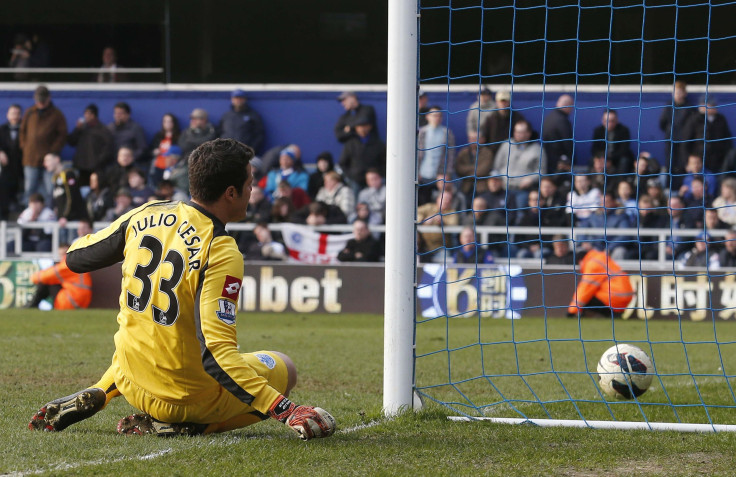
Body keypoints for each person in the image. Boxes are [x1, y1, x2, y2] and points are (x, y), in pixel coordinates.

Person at [28, 138, 336, 440]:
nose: (252, 189)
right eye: (250, 182)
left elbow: (77, 258)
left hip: (131, 380)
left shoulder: (145, 213)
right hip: (183, 397)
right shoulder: (220, 249)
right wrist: (284, 408)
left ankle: (103, 390)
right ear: (231, 192)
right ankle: (194, 426)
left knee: (144, 333)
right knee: (285, 367)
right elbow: (216, 354)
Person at [19, 85, 68, 205]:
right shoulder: (30, 112)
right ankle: (29, 213)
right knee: (29, 188)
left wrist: (53, 152)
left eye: (42, 101)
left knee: (49, 189)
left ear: (49, 98)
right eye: (38, 100)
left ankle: (48, 214)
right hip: (30, 158)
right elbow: (22, 131)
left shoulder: (57, 114)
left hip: (49, 161)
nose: (40, 103)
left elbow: (62, 135)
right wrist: (25, 147)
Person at [493, 119, 547, 207]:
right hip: (503, 189)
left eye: (521, 132)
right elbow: (496, 166)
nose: (517, 134)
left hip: (523, 191)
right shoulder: (506, 144)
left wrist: (531, 179)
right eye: (516, 131)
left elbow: (541, 171)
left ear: (528, 133)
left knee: (520, 215)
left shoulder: (537, 149)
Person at [567, 248, 634, 318]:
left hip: (615, 296)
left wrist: (571, 311)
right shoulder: (601, 258)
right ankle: (614, 315)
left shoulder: (592, 264)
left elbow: (586, 288)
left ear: (580, 261)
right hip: (626, 296)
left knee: (587, 298)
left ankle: (585, 318)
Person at [26, 243, 92, 310]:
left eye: (64, 253)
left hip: (70, 302)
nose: (63, 256)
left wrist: (32, 277)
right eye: (61, 254)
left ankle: (31, 306)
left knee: (45, 282)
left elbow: (45, 276)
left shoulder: (67, 265)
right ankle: (32, 306)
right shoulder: (78, 262)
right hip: (82, 304)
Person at [681, 95, 733, 172]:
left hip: (718, 162)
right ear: (702, 106)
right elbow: (685, 142)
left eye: (714, 105)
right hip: (699, 163)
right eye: (711, 105)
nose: (714, 107)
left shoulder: (721, 119)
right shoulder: (694, 119)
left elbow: (728, 140)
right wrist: (687, 162)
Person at [44, 153, 88, 243]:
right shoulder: (56, 178)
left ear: (57, 159)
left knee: (72, 248)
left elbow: (71, 197)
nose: (45, 164)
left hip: (71, 219)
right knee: (62, 248)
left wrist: (65, 216)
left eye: (47, 160)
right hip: (62, 220)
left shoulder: (68, 174)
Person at [67, 103, 115, 186]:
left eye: (88, 114)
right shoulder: (82, 128)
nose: (85, 116)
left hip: (95, 167)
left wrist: (98, 161)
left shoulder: (103, 130)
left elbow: (108, 148)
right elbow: (71, 142)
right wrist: (77, 129)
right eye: (85, 113)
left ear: (93, 115)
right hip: (80, 167)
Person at [417, 106, 456, 204]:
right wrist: (416, 172)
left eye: (439, 116)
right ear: (427, 117)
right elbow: (416, 154)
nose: (436, 118)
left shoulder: (446, 133)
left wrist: (446, 173)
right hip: (422, 174)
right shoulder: (421, 133)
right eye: (434, 115)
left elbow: (450, 156)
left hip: (439, 176)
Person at [338, 113, 386, 190]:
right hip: (356, 181)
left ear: (370, 127)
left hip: (374, 181)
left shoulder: (378, 144)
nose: (363, 129)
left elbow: (385, 162)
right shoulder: (350, 144)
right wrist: (351, 176)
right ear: (356, 128)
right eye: (360, 126)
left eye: (365, 126)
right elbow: (343, 162)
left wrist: (378, 175)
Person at [659, 80, 696, 175]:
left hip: (685, 142)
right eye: (675, 92)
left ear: (685, 93)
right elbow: (662, 123)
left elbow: (693, 125)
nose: (677, 95)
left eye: (679, 92)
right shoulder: (669, 106)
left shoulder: (690, 108)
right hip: (671, 140)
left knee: (682, 164)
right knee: (670, 164)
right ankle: (669, 186)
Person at [480, 89, 526, 156]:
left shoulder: (517, 117)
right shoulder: (490, 118)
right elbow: (485, 138)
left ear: (509, 102)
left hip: (512, 154)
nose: (503, 104)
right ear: (497, 102)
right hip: (493, 154)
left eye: (505, 101)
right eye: (501, 101)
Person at [219, 89, 265, 154]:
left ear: (244, 99)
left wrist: (252, 149)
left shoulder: (253, 115)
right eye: (236, 98)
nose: (238, 100)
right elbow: (220, 132)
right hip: (226, 151)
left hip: (244, 152)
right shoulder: (226, 115)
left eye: (240, 98)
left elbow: (259, 134)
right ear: (232, 99)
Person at [591, 109, 634, 174]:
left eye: (612, 121)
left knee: (624, 161)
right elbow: (594, 149)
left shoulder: (624, 130)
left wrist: (610, 158)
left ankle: (620, 182)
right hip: (603, 157)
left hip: (618, 157)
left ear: (617, 121)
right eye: (606, 121)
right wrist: (602, 158)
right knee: (592, 161)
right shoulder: (598, 131)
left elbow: (624, 149)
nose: (609, 123)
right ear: (602, 121)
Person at [454, 131, 495, 196]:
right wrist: (474, 168)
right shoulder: (463, 152)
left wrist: (466, 172)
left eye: (475, 139)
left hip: (481, 189)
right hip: (465, 188)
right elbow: (458, 168)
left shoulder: (487, 153)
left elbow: (483, 170)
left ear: (482, 140)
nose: (472, 141)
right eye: (471, 139)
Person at [541, 94, 574, 175]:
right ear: (568, 105)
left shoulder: (549, 117)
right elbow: (567, 142)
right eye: (572, 106)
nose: (572, 109)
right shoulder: (562, 120)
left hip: (547, 159)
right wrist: (571, 159)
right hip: (559, 163)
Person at [0, 104, 23, 219]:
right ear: (7, 115)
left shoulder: (25, 128)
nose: (15, 116)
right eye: (12, 113)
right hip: (6, 169)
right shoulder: (2, 129)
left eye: (17, 113)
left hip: (22, 168)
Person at [108, 102, 148, 167]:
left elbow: (142, 149)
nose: (117, 116)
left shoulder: (136, 128)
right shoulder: (110, 128)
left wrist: (129, 158)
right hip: (113, 164)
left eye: (120, 114)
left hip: (131, 164)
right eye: (116, 113)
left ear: (128, 115)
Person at [148, 113, 181, 187]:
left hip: (171, 165)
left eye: (170, 121)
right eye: (165, 121)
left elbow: (179, 151)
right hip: (158, 164)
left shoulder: (179, 136)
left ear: (174, 123)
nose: (167, 124)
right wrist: (155, 151)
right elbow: (150, 149)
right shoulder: (158, 135)